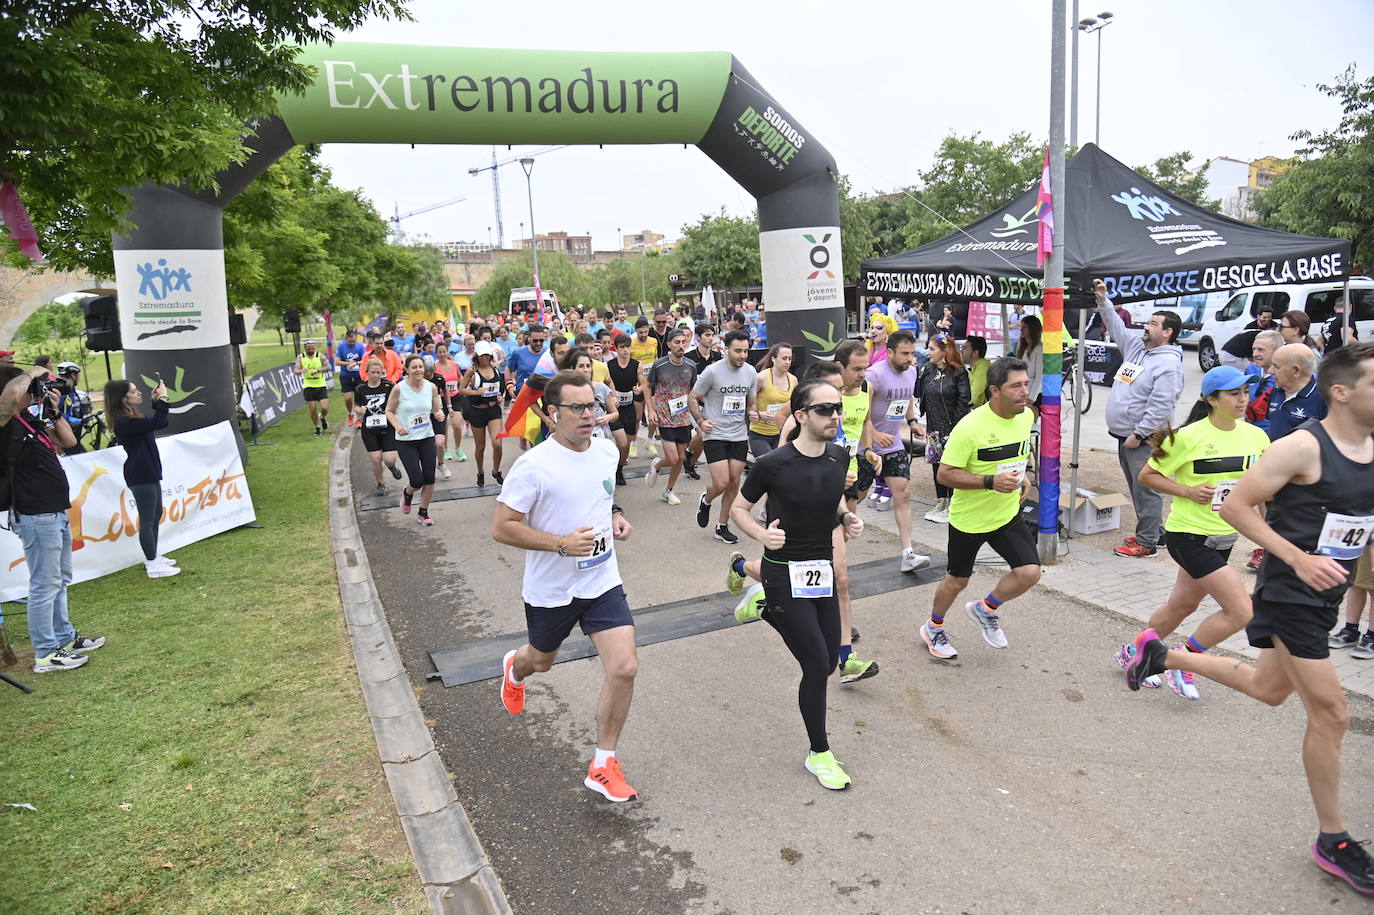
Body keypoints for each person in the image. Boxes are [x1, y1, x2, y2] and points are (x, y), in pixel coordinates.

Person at [1124, 342, 1374, 896]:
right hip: (1288, 589)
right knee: (1331, 712)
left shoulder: (1360, 445)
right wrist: (1296, 556)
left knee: (1267, 688)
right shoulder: (1303, 445)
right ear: (1342, 391)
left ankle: (1162, 654)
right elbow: (1236, 504)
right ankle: (1333, 839)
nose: (1243, 399)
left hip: (1324, 592)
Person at [492, 369, 640, 802]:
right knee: (541, 661)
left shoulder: (606, 452)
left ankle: (602, 764)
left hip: (601, 579)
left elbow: (600, 494)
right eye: (577, 408)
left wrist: (613, 516)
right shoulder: (533, 467)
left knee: (625, 667)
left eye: (592, 405)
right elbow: (502, 528)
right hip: (552, 590)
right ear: (552, 413)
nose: (589, 415)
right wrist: (559, 543)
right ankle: (514, 669)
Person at [729, 377, 866, 790]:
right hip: (782, 570)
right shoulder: (774, 463)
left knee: (827, 663)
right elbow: (739, 508)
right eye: (825, 409)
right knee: (814, 667)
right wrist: (760, 536)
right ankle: (819, 753)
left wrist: (846, 518)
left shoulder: (839, 457)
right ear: (801, 415)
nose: (835, 416)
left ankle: (764, 607)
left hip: (818, 568)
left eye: (837, 408)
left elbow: (835, 499)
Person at [1113, 365, 1271, 700]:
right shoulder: (1186, 437)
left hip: (1226, 535)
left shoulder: (1256, 436)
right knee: (1242, 611)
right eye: (1234, 394)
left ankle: (1132, 651)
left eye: (1245, 392)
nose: (1243, 399)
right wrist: (1188, 491)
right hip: (1189, 535)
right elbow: (1147, 476)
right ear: (1212, 399)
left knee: (1182, 604)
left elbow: (1262, 487)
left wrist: (1269, 528)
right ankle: (1184, 661)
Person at [918, 356, 1039, 660]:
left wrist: (1022, 475)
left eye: (1025, 384)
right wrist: (990, 481)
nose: (1024, 391)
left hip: (1006, 514)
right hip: (969, 520)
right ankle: (933, 627)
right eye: (1016, 386)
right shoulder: (970, 427)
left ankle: (986, 610)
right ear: (994, 390)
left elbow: (1017, 451)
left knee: (1029, 572)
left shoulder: (1025, 417)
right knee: (958, 580)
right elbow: (945, 474)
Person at [0, 362, 104, 671]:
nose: (33, 393)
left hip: (53, 512)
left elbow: (69, 443)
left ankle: (64, 637)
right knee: (44, 585)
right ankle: (46, 653)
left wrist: (52, 409)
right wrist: (31, 373)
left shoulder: (28, 421)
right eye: (30, 389)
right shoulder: (4, 423)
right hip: (35, 515)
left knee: (59, 580)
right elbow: (8, 399)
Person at [1094, 278, 1186, 558]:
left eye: (1154, 324)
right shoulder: (1138, 348)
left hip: (1144, 438)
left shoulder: (1168, 365)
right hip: (1127, 436)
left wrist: (1137, 435)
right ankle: (1156, 535)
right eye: (1148, 321)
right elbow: (1116, 326)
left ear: (1168, 332)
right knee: (1138, 487)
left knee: (1146, 489)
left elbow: (1160, 407)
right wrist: (1102, 300)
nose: (1147, 326)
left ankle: (1146, 543)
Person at [866, 329, 933, 573]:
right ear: (890, 352)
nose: (909, 359)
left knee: (903, 494)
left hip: (893, 444)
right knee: (855, 498)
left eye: (912, 353)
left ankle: (908, 553)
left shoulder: (911, 371)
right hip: (867, 447)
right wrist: (873, 434)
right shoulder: (874, 375)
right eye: (904, 354)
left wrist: (913, 422)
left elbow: (906, 400)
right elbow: (857, 409)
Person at [105, 377, 181, 578]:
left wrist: (156, 402)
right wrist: (163, 398)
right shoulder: (124, 422)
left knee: (155, 515)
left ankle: (154, 555)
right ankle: (152, 563)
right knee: (147, 520)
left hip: (148, 471)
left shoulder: (132, 417)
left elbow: (154, 421)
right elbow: (160, 422)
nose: (138, 393)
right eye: (133, 391)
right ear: (122, 399)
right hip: (140, 474)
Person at [691, 329, 757, 544]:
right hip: (715, 433)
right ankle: (707, 499)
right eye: (738, 351)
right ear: (726, 349)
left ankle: (722, 526)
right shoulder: (712, 372)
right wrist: (701, 421)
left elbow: (751, 402)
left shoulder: (750, 372)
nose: (742, 356)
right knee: (721, 483)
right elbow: (693, 397)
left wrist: (753, 412)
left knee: (734, 482)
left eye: (746, 351)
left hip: (738, 434)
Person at [916, 332, 971, 524]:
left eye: (932, 349)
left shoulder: (959, 372)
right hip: (933, 427)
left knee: (951, 465)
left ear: (944, 351)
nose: (928, 352)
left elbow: (963, 402)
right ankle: (942, 501)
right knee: (936, 465)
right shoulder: (928, 370)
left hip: (951, 428)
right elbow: (919, 394)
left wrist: (954, 429)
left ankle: (953, 504)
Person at [386, 354, 445, 526]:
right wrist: (397, 426)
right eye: (414, 367)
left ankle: (423, 512)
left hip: (426, 437)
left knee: (429, 478)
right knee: (417, 480)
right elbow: (389, 411)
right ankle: (408, 493)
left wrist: (439, 413)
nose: (418, 370)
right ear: (407, 369)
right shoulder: (399, 388)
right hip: (406, 440)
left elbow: (437, 407)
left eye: (420, 367)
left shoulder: (431, 387)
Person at [643, 327, 696, 506]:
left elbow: (693, 391)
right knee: (672, 458)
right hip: (664, 417)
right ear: (669, 345)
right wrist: (651, 410)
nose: (681, 346)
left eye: (683, 342)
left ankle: (668, 491)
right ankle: (657, 465)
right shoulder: (659, 365)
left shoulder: (691, 366)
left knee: (680, 458)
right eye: (677, 342)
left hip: (683, 418)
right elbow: (647, 387)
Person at [353, 357, 404, 496]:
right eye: (372, 372)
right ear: (367, 372)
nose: (375, 376)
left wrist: (396, 413)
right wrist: (359, 411)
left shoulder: (388, 386)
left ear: (382, 372)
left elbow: (397, 401)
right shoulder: (360, 388)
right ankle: (381, 484)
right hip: (369, 429)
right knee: (375, 459)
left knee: (389, 459)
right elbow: (355, 406)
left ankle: (391, 466)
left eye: (378, 372)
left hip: (387, 427)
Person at [460, 341, 506, 489]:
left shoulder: (496, 370)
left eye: (487, 355)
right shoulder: (471, 371)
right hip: (477, 411)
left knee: (497, 443)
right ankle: (480, 472)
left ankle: (496, 471)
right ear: (477, 356)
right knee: (480, 447)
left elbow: (500, 389)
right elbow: (461, 389)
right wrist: (475, 392)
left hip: (493, 410)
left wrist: (500, 396)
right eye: (482, 355)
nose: (485, 358)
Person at [681, 323, 722, 480]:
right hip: (693, 402)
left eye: (712, 335)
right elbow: (686, 384)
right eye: (707, 335)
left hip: (711, 403)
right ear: (698, 337)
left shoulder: (717, 357)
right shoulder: (690, 358)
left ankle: (689, 460)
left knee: (704, 436)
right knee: (702, 433)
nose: (710, 338)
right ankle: (689, 458)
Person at [607, 333, 647, 486]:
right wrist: (612, 396)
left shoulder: (637, 365)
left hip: (629, 407)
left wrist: (639, 388)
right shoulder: (609, 366)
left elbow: (643, 384)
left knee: (627, 444)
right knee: (621, 443)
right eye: (622, 347)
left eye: (628, 347)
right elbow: (605, 384)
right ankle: (615, 469)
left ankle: (620, 467)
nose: (626, 350)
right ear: (616, 349)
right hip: (615, 408)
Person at [1268, 343, 1327, 440]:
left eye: (1276, 367)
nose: (1270, 371)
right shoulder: (1276, 391)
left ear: (1296, 371)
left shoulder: (1323, 397)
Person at [748, 343, 795, 460]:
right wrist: (759, 414)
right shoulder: (761, 378)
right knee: (767, 464)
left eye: (790, 359)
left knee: (782, 468)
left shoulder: (793, 380)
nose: (787, 362)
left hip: (781, 432)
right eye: (784, 358)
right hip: (760, 433)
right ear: (773, 358)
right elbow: (750, 403)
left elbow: (794, 406)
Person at [1329, 545, 1374, 657]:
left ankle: (1372, 636)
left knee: (1372, 585)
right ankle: (1350, 630)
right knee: (1355, 584)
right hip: (1360, 536)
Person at [1244, 330, 1284, 436]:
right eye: (1254, 349)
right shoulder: (1251, 369)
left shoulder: (1284, 376)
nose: (1255, 354)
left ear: (1277, 351)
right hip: (1250, 430)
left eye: (1261, 350)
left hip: (1273, 434)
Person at [423, 356, 453, 481]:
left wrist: (449, 406)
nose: (429, 374)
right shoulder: (418, 380)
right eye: (426, 371)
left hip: (438, 413)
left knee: (440, 442)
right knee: (427, 444)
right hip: (423, 416)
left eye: (431, 371)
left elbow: (445, 390)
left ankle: (441, 464)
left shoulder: (439, 378)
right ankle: (428, 468)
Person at [294, 339, 330, 435]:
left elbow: (328, 367)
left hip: (320, 385)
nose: (310, 350)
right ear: (305, 348)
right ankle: (317, 427)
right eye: (308, 348)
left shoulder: (320, 356)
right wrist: (301, 370)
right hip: (308, 386)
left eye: (312, 348)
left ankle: (322, 417)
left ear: (315, 347)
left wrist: (318, 371)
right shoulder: (300, 357)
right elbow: (295, 371)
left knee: (325, 408)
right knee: (313, 409)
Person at [336, 329, 367, 427]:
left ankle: (358, 419)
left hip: (358, 376)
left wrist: (356, 363)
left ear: (356, 339)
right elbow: (337, 361)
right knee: (348, 398)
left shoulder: (360, 346)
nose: (352, 343)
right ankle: (350, 414)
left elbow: (365, 359)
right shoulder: (341, 346)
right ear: (346, 339)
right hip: (346, 376)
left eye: (353, 341)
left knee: (359, 398)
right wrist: (348, 363)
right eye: (350, 341)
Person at [1014, 315, 1043, 411]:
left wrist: (1031, 398)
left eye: (1024, 327)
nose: (1021, 330)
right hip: (1020, 390)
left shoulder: (1040, 348)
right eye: (1021, 327)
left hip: (1031, 393)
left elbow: (1040, 376)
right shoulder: (1022, 346)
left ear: (1032, 329)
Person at [963, 336, 989, 408]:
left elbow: (972, 397)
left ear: (975, 353)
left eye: (964, 348)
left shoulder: (983, 366)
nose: (961, 351)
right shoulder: (973, 368)